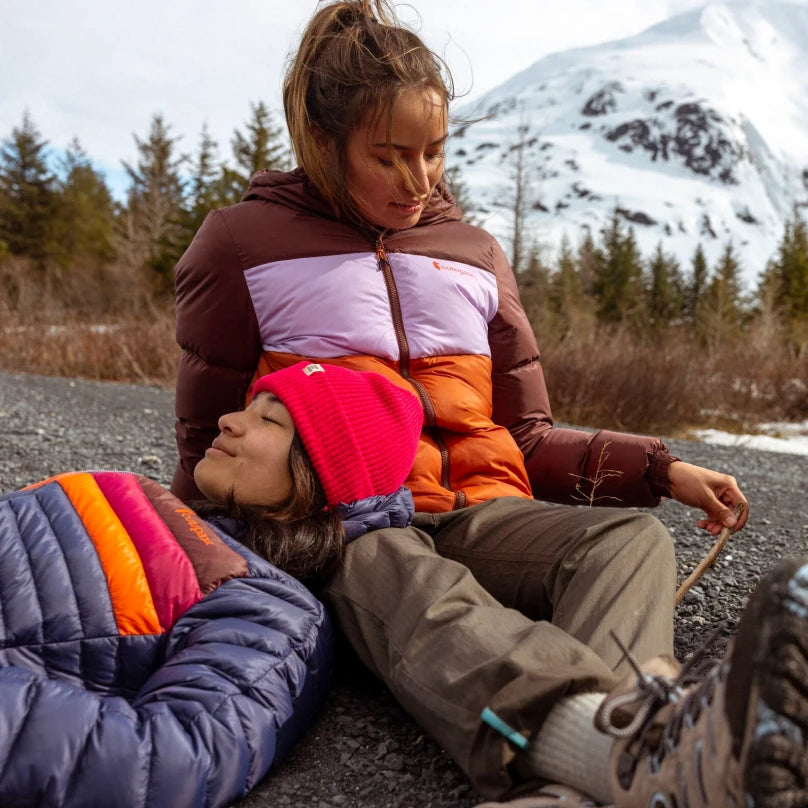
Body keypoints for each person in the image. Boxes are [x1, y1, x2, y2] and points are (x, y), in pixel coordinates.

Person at [170, 2, 807, 806]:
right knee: (385, 559)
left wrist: (660, 468)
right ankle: (637, 755)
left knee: (628, 543)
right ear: (325, 145)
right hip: (354, 533)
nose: (419, 180)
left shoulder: (473, 255)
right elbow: (209, 449)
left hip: (483, 514)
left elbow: (526, 435)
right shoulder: (243, 244)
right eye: (390, 156)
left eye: (435, 152)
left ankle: (602, 767)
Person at [0, 361, 423, 808]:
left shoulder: (275, 612)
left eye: (270, 419)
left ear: (317, 477)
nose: (229, 420)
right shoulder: (175, 511)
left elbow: (167, 760)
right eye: (249, 407)